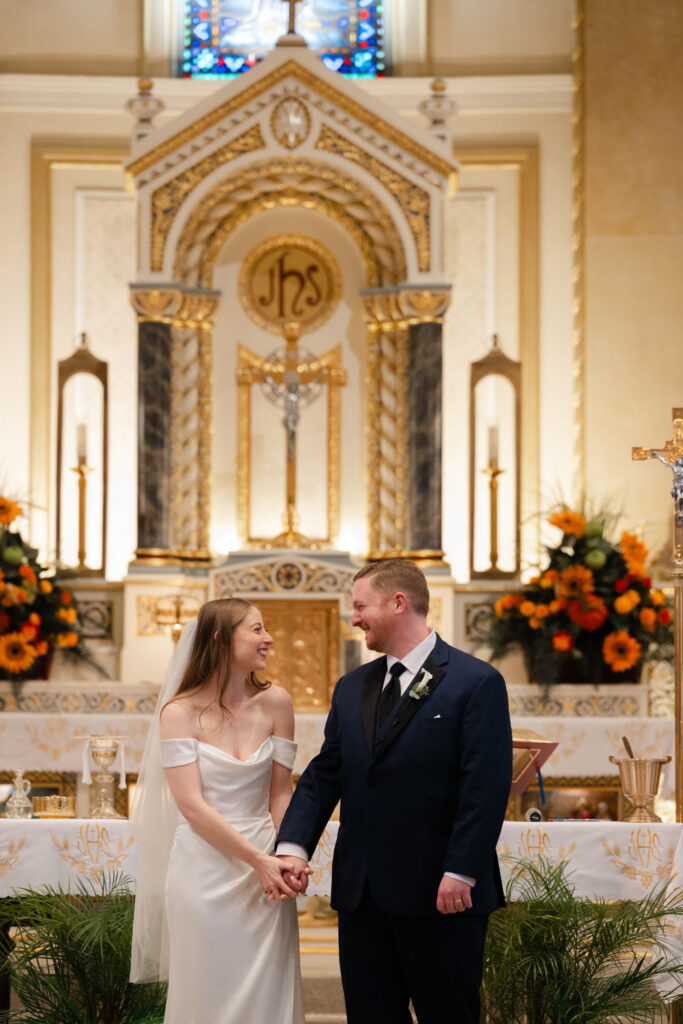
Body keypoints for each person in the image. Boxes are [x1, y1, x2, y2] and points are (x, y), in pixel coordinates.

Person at [277, 559, 512, 1024]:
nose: (355, 618)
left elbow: (483, 788)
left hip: (441, 893)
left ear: (398, 603)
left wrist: (461, 871)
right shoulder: (351, 688)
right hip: (362, 894)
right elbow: (327, 773)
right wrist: (292, 846)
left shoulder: (476, 682)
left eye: (361, 606)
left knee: (448, 1014)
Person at [130, 598, 305, 1024]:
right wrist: (258, 860)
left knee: (269, 989)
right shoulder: (179, 713)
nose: (269, 638)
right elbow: (191, 806)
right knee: (206, 988)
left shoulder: (277, 703)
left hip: (265, 872)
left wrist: (287, 856)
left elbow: (280, 794)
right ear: (220, 639)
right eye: (257, 629)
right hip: (204, 869)